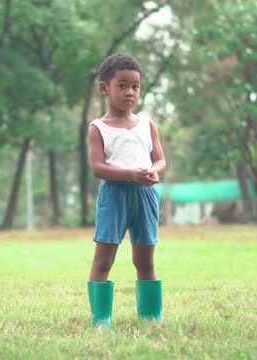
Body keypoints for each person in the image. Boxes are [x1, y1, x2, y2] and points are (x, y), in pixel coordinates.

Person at [86, 53, 166, 330]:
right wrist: (129, 174)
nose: (130, 92)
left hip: (145, 196)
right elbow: (97, 167)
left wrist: (152, 171)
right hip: (114, 196)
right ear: (105, 88)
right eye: (122, 85)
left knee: (144, 259)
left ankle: (151, 316)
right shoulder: (98, 128)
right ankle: (100, 320)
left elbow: (160, 159)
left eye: (135, 86)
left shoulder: (147, 125)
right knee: (104, 259)